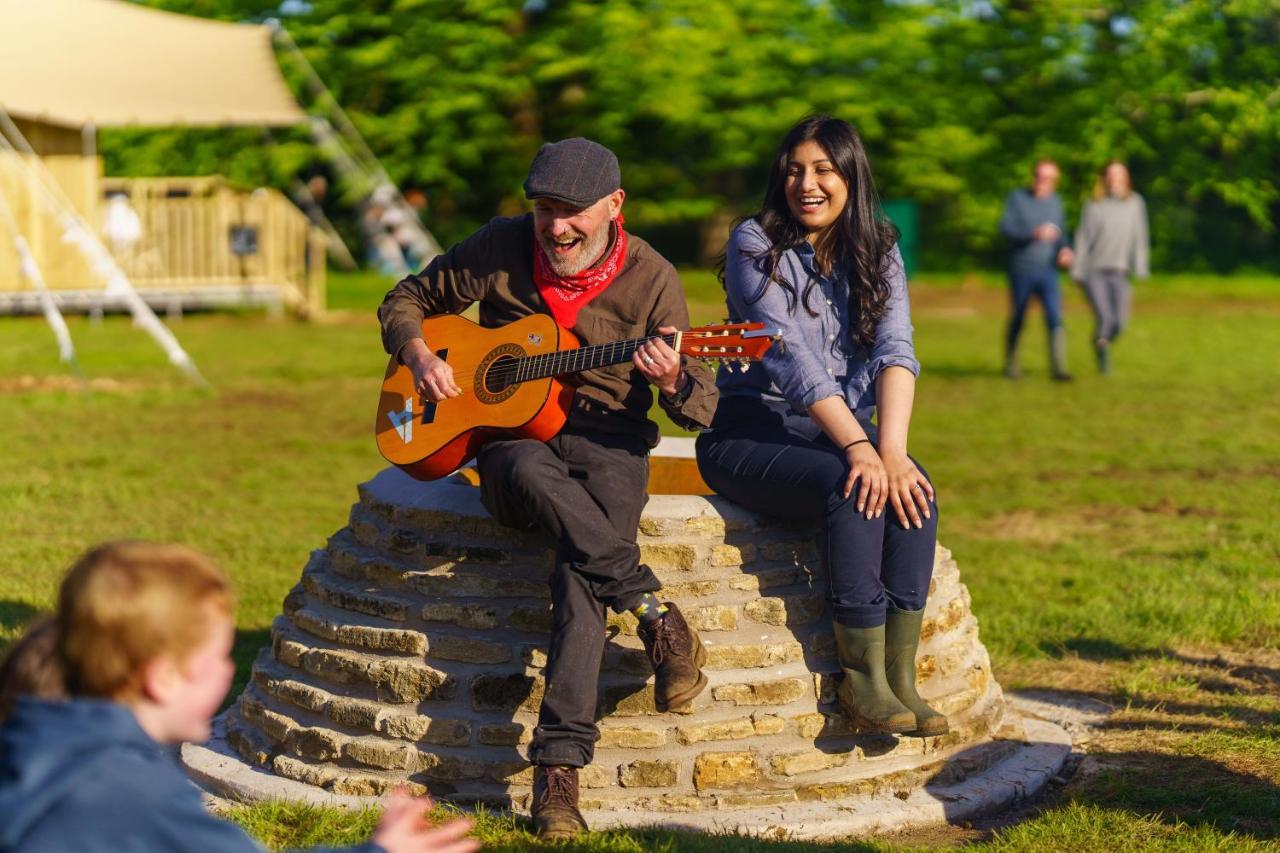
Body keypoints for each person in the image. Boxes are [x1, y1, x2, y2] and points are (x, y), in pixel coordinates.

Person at [377, 138, 717, 840]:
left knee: (578, 578)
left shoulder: (653, 278)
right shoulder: (502, 244)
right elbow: (408, 296)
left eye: (571, 213)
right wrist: (417, 351)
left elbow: (700, 405)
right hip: (510, 446)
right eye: (543, 210)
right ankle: (656, 614)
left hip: (607, 444)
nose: (555, 227)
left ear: (614, 206)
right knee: (527, 467)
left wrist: (671, 378)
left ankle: (556, 772)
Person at [694, 116, 945, 738]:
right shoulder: (755, 243)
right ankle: (861, 683)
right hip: (748, 432)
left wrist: (890, 450)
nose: (806, 183)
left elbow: (896, 348)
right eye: (795, 170)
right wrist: (860, 448)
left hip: (835, 429)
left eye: (823, 170)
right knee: (850, 488)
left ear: (850, 177)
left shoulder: (880, 250)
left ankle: (900, 677)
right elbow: (788, 356)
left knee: (914, 489)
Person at [0, 542, 479, 853]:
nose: (230, 670)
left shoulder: (35, 735)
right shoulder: (133, 791)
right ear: (164, 678)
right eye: (218, 657)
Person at [1070, 160, 1150, 374]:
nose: (1114, 179)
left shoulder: (1135, 203)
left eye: (1119, 174)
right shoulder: (1094, 204)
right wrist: (1077, 270)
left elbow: (1139, 236)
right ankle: (1103, 357)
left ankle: (1100, 342)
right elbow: (1083, 239)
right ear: (1104, 178)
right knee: (1105, 318)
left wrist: (1140, 266)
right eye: (1111, 174)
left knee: (1120, 323)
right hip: (1095, 271)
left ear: (1126, 178)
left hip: (1120, 272)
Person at [998, 159, 1075, 381]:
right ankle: (1011, 364)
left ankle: (1059, 368)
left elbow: (1062, 233)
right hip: (1021, 269)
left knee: (1054, 315)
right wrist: (1033, 233)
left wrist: (1066, 249)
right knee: (1019, 316)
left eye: (1049, 178)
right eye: (1040, 176)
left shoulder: (1056, 202)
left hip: (1048, 270)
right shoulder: (1018, 198)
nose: (1044, 182)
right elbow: (1006, 229)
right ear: (1034, 176)